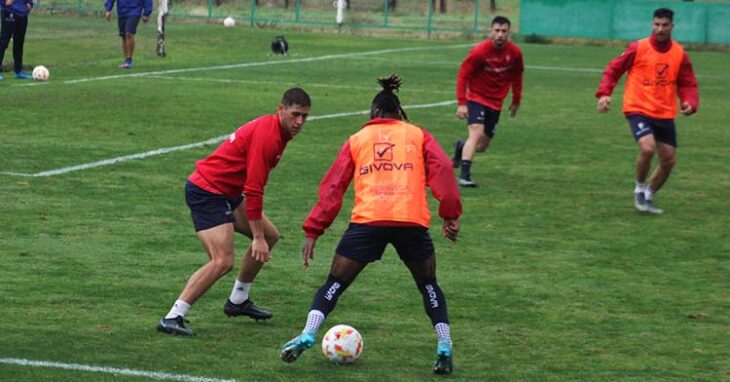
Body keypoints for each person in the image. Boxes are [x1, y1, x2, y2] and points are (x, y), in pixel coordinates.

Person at [279, 75, 462, 375]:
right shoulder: (418, 135)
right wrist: (449, 214)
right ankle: (444, 344)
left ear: (374, 114)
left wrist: (314, 230)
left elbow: (333, 188)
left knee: (334, 284)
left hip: (368, 223)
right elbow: (442, 170)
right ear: (399, 113)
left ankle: (309, 333)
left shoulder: (357, 139)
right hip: (410, 222)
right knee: (428, 284)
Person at [157, 88, 312, 336]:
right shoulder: (268, 137)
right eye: (295, 115)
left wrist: (262, 236)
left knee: (271, 236)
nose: (299, 122)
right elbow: (253, 190)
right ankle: (173, 316)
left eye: (304, 116)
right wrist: (256, 237)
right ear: (280, 109)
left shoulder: (278, 132)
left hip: (227, 191)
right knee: (222, 261)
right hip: (208, 191)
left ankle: (238, 300)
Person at [596, 8, 699, 214]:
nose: (659, 29)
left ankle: (649, 195)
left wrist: (689, 101)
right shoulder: (638, 47)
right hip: (638, 107)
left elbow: (687, 82)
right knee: (647, 148)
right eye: (656, 25)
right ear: (652, 24)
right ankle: (639, 188)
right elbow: (614, 69)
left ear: (672, 26)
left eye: (664, 25)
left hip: (664, 111)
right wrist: (604, 93)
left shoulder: (679, 53)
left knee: (669, 160)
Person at [452, 16, 524, 187]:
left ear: (509, 32)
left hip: (496, 102)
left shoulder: (515, 54)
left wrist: (516, 100)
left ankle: (461, 147)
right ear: (491, 31)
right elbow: (463, 75)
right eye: (497, 31)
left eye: (504, 31)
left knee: (482, 145)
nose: (500, 34)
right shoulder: (479, 52)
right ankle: (464, 176)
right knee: (475, 134)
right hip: (476, 97)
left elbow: (517, 76)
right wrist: (462, 103)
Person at [104, 0, 152, 69]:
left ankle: (129, 60)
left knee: (129, 34)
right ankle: (126, 60)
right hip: (122, 12)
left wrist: (146, 13)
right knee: (123, 36)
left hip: (135, 11)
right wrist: (108, 9)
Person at [0, 0, 33, 80]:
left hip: (22, 14)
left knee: (19, 43)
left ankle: (18, 71)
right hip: (9, 12)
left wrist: (29, 4)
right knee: (3, 42)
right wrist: (5, 2)